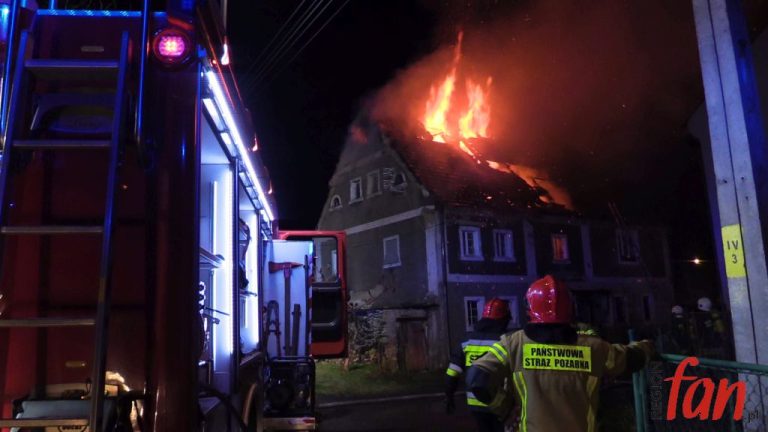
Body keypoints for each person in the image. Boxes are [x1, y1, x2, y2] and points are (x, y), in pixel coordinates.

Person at [465, 275, 655, 432]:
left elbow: (477, 379)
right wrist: (647, 346)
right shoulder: (595, 348)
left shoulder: (513, 343)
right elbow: (632, 358)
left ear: (530, 308)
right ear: (570, 309)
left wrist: (505, 408)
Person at [445, 297, 511, 432]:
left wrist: (449, 396)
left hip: (475, 404)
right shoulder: (506, 341)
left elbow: (452, 373)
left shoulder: (466, 342)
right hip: (501, 403)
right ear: (503, 319)